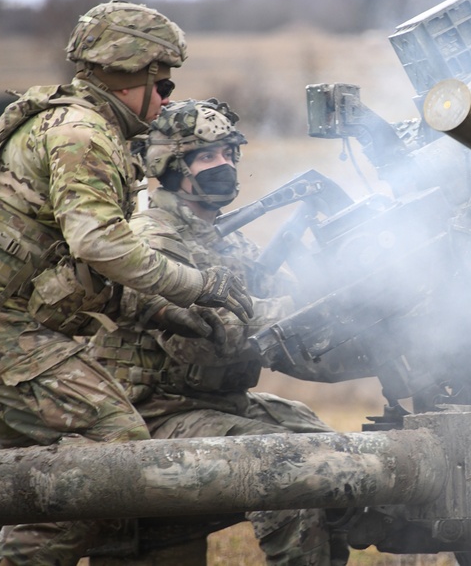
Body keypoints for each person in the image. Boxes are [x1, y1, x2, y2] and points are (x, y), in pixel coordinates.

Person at [0, 1, 254, 566]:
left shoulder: (64, 121)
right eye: (161, 85)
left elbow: (75, 276)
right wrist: (199, 285)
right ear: (130, 77)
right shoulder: (82, 134)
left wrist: (162, 312)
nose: (165, 100)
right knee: (114, 451)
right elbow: (100, 245)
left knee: (58, 461)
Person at [89, 98, 348, 566]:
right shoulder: (152, 240)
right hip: (153, 415)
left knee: (341, 453)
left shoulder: (221, 237)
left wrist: (346, 291)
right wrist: (307, 308)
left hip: (219, 405)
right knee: (287, 469)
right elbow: (203, 341)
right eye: (208, 156)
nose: (224, 166)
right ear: (171, 167)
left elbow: (290, 310)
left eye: (229, 153)